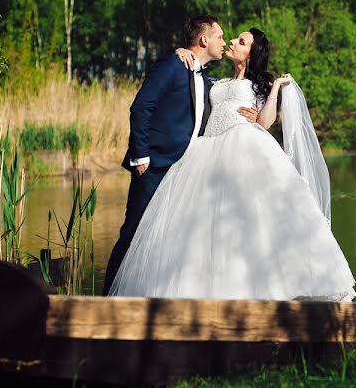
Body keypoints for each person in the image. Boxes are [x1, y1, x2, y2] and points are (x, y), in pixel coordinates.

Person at [107, 28, 356, 301]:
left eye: (241, 41)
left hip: (242, 149)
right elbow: (195, 82)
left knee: (248, 221)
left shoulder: (257, 84)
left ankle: (265, 289)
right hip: (205, 154)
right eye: (233, 38)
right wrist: (181, 51)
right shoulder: (214, 81)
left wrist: (273, 90)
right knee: (201, 228)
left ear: (251, 54)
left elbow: (264, 122)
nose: (232, 43)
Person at [101, 15, 256, 295]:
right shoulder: (173, 65)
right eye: (220, 37)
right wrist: (141, 157)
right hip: (154, 167)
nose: (224, 42)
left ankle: (149, 298)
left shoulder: (208, 83)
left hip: (184, 173)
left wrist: (254, 116)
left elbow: (225, 105)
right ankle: (106, 302)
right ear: (204, 40)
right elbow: (141, 108)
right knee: (134, 234)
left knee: (165, 242)